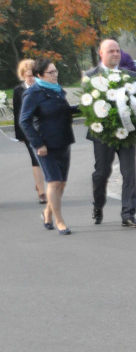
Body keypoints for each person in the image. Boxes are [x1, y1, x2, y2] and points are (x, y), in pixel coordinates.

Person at [85, 39, 136, 228]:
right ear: (101, 53)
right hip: (102, 134)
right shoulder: (90, 76)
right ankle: (98, 205)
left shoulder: (131, 75)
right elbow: (87, 106)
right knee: (101, 173)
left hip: (127, 132)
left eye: (118, 51)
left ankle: (128, 214)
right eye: (111, 51)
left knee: (129, 173)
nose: (116, 54)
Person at [19, 58, 78, 235]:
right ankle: (59, 221)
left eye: (56, 71)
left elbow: (63, 111)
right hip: (45, 145)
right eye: (51, 73)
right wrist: (38, 143)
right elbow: (24, 121)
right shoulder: (33, 93)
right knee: (53, 182)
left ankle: (47, 213)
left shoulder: (58, 91)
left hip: (63, 141)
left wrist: (87, 107)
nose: (55, 75)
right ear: (39, 75)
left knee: (62, 184)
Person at [12, 59, 48, 204]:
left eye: (34, 74)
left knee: (47, 157)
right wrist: (19, 134)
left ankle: (41, 184)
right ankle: (41, 191)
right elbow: (17, 113)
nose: (32, 78)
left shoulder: (44, 88)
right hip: (28, 130)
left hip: (44, 128)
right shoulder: (18, 91)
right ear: (23, 75)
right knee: (36, 158)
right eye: (28, 75)